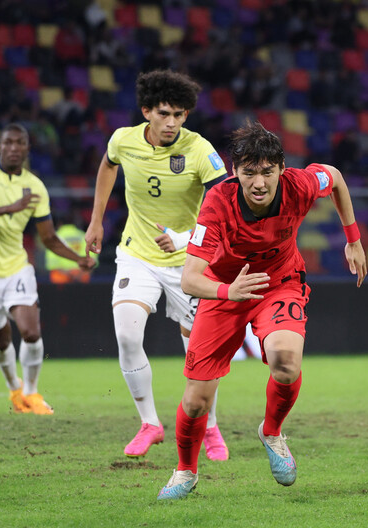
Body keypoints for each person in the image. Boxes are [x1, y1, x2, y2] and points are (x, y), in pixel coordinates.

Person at [157, 120, 367, 500]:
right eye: (249, 172)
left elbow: (333, 176)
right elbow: (190, 279)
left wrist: (353, 238)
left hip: (280, 282)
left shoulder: (299, 186)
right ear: (234, 173)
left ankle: (272, 432)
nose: (258, 182)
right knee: (195, 400)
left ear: (281, 170)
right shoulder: (218, 202)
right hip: (225, 292)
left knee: (286, 365)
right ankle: (185, 472)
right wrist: (227, 291)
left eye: (267, 172)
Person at [84, 70, 230, 460]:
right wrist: (96, 219)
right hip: (138, 253)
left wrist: (185, 238)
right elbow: (108, 165)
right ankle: (150, 423)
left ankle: (211, 427)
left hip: (191, 262)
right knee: (129, 337)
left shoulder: (199, 150)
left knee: (198, 354)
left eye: (180, 115)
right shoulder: (123, 140)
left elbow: (225, 202)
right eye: (164, 113)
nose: (172, 123)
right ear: (146, 110)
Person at [0, 123, 95, 414]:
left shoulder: (36, 187)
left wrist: (77, 259)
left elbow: (48, 237)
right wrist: (10, 208)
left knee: (31, 332)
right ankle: (14, 390)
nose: (13, 148)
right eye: (7, 142)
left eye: (19, 143)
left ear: (27, 149)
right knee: (0, 336)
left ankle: (32, 393)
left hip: (16, 267)